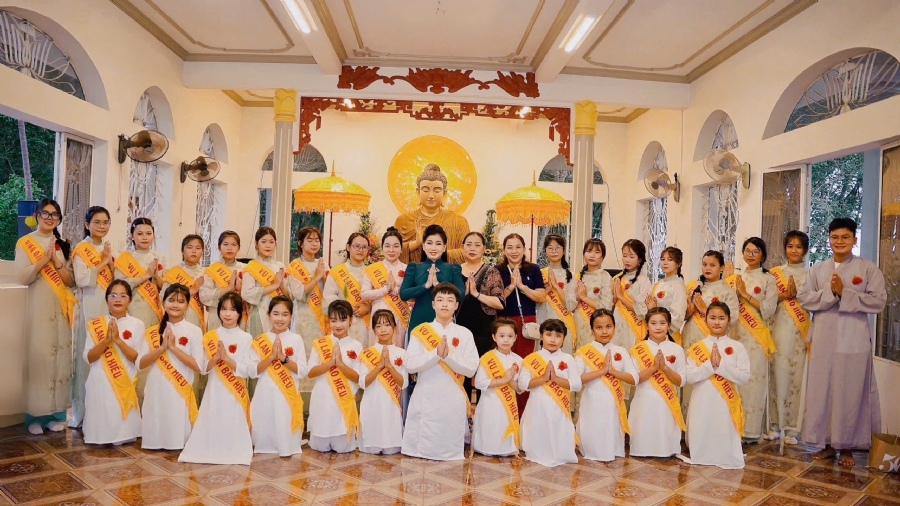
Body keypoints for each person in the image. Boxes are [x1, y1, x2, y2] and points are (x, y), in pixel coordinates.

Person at [798, 218, 886, 468]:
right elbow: (804, 298)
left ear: (854, 240)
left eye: (845, 237)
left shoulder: (868, 269)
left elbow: (878, 301)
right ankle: (826, 444)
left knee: (850, 390)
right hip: (824, 338)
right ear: (829, 239)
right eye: (835, 237)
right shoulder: (818, 270)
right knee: (823, 390)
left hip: (853, 339)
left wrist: (845, 293)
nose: (839, 242)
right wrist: (832, 293)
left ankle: (847, 446)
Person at [15, 198, 75, 434]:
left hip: (61, 308)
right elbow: (22, 277)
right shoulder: (25, 242)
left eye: (55, 215)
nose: (50, 218)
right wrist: (43, 259)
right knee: (40, 358)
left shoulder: (62, 245)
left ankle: (55, 413)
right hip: (38, 307)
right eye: (46, 213)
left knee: (59, 359)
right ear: (37, 215)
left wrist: (57, 261)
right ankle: (34, 418)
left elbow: (70, 282)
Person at [402, 283, 479, 461]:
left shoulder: (465, 333)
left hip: (453, 394)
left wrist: (448, 356)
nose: (445, 304)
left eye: (450, 300)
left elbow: (471, 369)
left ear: (456, 305)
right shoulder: (420, 331)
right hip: (426, 391)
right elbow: (411, 365)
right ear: (433, 304)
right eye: (440, 299)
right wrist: (435, 354)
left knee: (450, 433)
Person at [179, 292, 253, 464]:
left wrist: (228, 359)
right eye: (224, 309)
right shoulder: (210, 336)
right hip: (214, 390)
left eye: (233, 310)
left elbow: (248, 369)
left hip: (236, 392)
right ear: (218, 311)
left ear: (240, 313)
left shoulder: (246, 337)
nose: (227, 314)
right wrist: (215, 359)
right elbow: (203, 368)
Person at [136, 283, 204, 450]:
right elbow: (140, 363)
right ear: (163, 302)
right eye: (171, 300)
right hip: (156, 388)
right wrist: (161, 348)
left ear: (187, 305)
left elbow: (198, 366)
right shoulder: (152, 331)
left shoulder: (194, 331)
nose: (175, 305)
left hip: (180, 389)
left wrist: (173, 348)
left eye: (181, 301)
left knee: (177, 435)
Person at [684, 302, 751, 469]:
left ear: (729, 320)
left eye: (721, 318)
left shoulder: (738, 347)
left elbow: (743, 377)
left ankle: (726, 453)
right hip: (702, 399)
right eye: (712, 318)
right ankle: (701, 453)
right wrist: (709, 367)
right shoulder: (696, 348)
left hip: (726, 402)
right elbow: (689, 377)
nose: (717, 322)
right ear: (705, 320)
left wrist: (721, 367)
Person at [725, 237, 777, 442]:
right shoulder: (735, 277)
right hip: (736, 334)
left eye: (755, 251)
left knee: (752, 382)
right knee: (735, 381)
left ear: (762, 254)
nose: (751, 254)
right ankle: (733, 427)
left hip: (756, 338)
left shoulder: (768, 279)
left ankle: (751, 431)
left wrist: (745, 295)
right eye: (747, 250)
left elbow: (769, 310)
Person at [82, 280, 142, 445]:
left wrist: (118, 340)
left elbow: (136, 358)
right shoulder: (95, 324)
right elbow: (88, 357)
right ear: (107, 299)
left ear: (129, 299)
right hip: (99, 380)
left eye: (123, 295)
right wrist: (106, 341)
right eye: (113, 295)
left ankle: (122, 434)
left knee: (122, 426)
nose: (118, 299)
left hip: (124, 380)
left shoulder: (137, 324)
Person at [575, 309, 637, 462]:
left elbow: (633, 378)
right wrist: (601, 371)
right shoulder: (583, 352)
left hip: (613, 403)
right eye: (599, 327)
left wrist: (612, 372)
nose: (604, 331)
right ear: (591, 329)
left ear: (614, 327)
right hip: (592, 402)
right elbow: (576, 380)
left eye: (608, 326)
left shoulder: (621, 351)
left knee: (611, 429)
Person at [71, 206, 114, 428]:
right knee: (87, 356)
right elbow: (82, 279)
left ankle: (102, 411)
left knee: (106, 357)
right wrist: (104, 262)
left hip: (106, 306)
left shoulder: (107, 248)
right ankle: (82, 414)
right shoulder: (81, 248)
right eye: (97, 222)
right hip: (88, 305)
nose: (102, 226)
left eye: (105, 222)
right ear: (87, 224)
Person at [518, 319, 581, 467]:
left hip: (559, 407)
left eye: (558, 335)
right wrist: (543, 378)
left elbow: (576, 385)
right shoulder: (531, 358)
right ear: (541, 336)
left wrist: (556, 379)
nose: (553, 339)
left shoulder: (568, 358)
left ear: (564, 338)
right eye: (548, 334)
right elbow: (522, 384)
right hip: (537, 405)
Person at [250, 296, 308, 457]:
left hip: (287, 393)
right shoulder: (260, 340)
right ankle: (264, 444)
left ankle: (287, 445)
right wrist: (270, 357)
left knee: (284, 418)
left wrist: (283, 358)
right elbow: (253, 371)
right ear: (268, 315)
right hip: (265, 391)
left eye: (285, 314)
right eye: (276, 314)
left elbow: (302, 371)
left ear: (291, 317)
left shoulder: (295, 339)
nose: (280, 318)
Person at [767, 231, 811, 445]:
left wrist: (799, 296)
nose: (794, 250)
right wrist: (784, 296)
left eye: (799, 246)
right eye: (790, 246)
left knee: (795, 376)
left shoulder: (812, 275)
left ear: (805, 250)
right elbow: (766, 304)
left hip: (799, 332)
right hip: (777, 329)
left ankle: (792, 429)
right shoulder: (774, 274)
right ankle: (775, 425)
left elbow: (815, 303)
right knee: (777, 374)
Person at [496, 233, 546, 413]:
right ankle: (505, 409)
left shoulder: (532, 269)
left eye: (518, 247)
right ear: (504, 250)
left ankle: (523, 411)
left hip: (526, 323)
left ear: (524, 249)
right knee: (505, 364)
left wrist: (522, 287)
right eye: (509, 247)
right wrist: (511, 286)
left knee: (524, 365)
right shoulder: (497, 270)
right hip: (503, 322)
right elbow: (495, 299)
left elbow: (542, 296)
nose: (514, 251)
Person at [307, 300, 363, 453]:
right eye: (334, 320)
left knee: (343, 447)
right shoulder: (319, 343)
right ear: (328, 321)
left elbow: (358, 377)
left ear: (351, 320)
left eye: (343, 319)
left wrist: (341, 365)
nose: (338, 325)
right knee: (320, 447)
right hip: (322, 399)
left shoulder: (356, 346)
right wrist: (329, 363)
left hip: (344, 403)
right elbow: (310, 372)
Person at [628, 307, 685, 458]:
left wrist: (664, 367)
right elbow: (635, 380)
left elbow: (681, 381)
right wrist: (654, 368)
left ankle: (667, 449)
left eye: (662, 323)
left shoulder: (677, 349)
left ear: (668, 325)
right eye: (653, 323)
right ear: (647, 325)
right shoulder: (637, 349)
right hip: (644, 400)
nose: (658, 327)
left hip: (667, 402)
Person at [399, 224, 465, 339]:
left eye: (438, 244)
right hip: (418, 320)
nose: (433, 248)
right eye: (429, 243)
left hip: (445, 322)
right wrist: (426, 285)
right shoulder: (413, 267)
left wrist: (439, 286)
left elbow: (461, 295)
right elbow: (403, 294)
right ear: (423, 246)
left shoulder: (453, 268)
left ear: (444, 247)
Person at [394, 163, 470, 263]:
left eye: (437, 191)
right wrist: (416, 243)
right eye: (425, 190)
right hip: (413, 276)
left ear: (444, 193)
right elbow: (393, 252)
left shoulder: (458, 222)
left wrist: (436, 253)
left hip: (446, 277)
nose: (431, 195)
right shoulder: (403, 221)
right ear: (418, 192)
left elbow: (466, 253)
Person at [356, 310, 408, 455]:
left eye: (387, 324)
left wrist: (390, 367)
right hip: (371, 403)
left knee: (392, 449)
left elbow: (403, 384)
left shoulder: (402, 353)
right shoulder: (367, 353)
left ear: (395, 328)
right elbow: (362, 383)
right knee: (370, 448)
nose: (383, 329)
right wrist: (379, 366)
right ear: (373, 330)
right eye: (378, 326)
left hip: (391, 405)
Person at [472, 319, 523, 457]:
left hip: (509, 404)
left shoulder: (519, 360)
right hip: (490, 401)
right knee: (490, 424)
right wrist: (503, 380)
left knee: (505, 425)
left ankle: (507, 447)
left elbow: (521, 388)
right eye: (501, 336)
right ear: (494, 337)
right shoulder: (487, 358)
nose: (506, 340)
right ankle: (486, 447)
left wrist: (512, 383)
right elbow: (479, 383)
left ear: (515, 338)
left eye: (510, 336)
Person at [455, 231, 504, 358]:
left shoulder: (491, 272)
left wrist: (476, 294)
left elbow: (500, 303)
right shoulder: (454, 270)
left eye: (477, 245)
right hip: (457, 328)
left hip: (483, 330)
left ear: (484, 249)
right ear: (462, 247)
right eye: (469, 244)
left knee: (481, 369)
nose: (472, 248)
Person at [361, 228, 409, 348]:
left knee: (397, 354)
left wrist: (396, 290)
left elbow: (409, 294)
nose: (391, 250)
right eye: (387, 246)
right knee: (376, 354)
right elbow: (364, 294)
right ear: (382, 248)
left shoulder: (408, 269)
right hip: (378, 316)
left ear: (401, 249)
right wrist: (384, 290)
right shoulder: (372, 269)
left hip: (399, 317)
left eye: (396, 246)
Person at [115, 218, 165, 330]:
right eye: (140, 234)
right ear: (132, 235)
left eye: (148, 233)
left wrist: (156, 277)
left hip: (153, 309)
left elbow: (165, 287)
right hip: (131, 307)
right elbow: (119, 285)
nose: (145, 237)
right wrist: (146, 276)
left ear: (153, 236)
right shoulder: (124, 258)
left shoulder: (160, 258)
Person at [324, 233, 372, 345]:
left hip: (365, 324)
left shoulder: (371, 272)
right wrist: (347, 308)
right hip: (343, 322)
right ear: (348, 247)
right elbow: (328, 297)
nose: (360, 250)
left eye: (364, 247)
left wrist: (368, 307)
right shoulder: (337, 272)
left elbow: (377, 298)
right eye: (357, 246)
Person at [242, 226, 290, 339]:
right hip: (259, 313)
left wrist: (281, 286)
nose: (268, 245)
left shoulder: (280, 266)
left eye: (271, 242)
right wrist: (274, 285)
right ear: (256, 243)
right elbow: (246, 294)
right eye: (263, 242)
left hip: (280, 315)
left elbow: (288, 295)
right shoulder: (251, 267)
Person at [538, 234, 578, 354]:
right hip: (543, 317)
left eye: (558, 248)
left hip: (564, 321)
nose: (554, 251)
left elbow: (571, 305)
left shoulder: (570, 275)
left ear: (564, 250)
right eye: (550, 248)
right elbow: (536, 299)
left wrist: (556, 286)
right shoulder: (539, 273)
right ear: (545, 251)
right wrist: (549, 289)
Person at [199, 231, 246, 331]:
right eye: (225, 244)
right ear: (219, 247)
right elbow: (204, 296)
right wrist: (228, 288)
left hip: (240, 316)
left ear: (239, 248)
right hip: (217, 316)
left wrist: (239, 288)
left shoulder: (246, 269)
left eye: (233, 244)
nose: (229, 248)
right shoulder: (211, 270)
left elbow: (251, 296)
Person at [574, 238, 614, 351]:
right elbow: (570, 305)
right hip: (577, 322)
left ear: (602, 257)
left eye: (597, 252)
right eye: (589, 251)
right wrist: (577, 297)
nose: (592, 255)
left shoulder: (605, 277)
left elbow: (606, 306)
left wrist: (583, 297)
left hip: (596, 325)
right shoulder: (576, 277)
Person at [162, 235, 208, 333]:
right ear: (182, 251)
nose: (194, 251)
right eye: (189, 247)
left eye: (198, 248)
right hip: (174, 319)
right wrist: (192, 290)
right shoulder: (172, 272)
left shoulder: (205, 273)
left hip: (196, 318)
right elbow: (163, 298)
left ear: (202, 252)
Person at [611, 239, 651, 351]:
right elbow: (611, 304)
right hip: (618, 321)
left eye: (631, 256)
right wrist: (615, 297)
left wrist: (620, 296)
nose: (627, 260)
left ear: (640, 259)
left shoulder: (643, 281)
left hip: (634, 325)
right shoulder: (617, 278)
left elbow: (642, 310)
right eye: (624, 256)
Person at [645, 247, 688, 344]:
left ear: (678, 263)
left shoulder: (678, 285)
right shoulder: (659, 283)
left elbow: (678, 316)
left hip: (668, 335)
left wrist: (654, 310)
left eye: (670, 259)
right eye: (663, 259)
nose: (665, 262)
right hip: (654, 332)